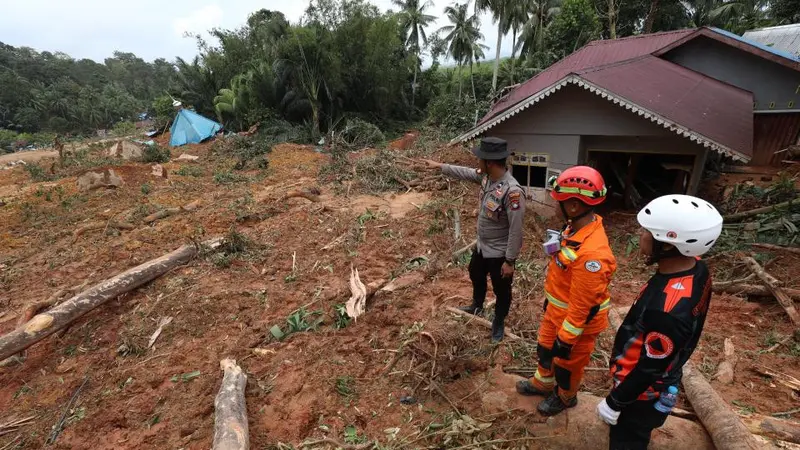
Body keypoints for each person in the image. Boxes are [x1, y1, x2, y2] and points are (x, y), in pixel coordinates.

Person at [596, 194, 723, 450]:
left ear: (667, 245)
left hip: (642, 393)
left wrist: (616, 401)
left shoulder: (667, 311)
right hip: (666, 375)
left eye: (646, 231)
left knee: (628, 440)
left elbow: (649, 368)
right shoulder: (698, 268)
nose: (640, 235)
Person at [516, 166, 617, 416]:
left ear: (573, 206)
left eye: (558, 201)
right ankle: (543, 382)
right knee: (545, 348)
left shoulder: (592, 255)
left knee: (567, 364)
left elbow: (583, 305)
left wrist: (568, 337)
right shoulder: (575, 228)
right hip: (557, 311)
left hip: (576, 324)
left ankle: (565, 396)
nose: (555, 206)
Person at [422, 137, 525, 342]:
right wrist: (441, 166)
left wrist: (510, 261)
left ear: (489, 163)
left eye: (479, 160)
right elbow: (466, 173)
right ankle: (477, 305)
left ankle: (498, 321)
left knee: (501, 290)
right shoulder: (487, 178)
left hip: (499, 253)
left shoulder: (512, 192)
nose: (476, 163)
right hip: (482, 246)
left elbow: (516, 230)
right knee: (475, 273)